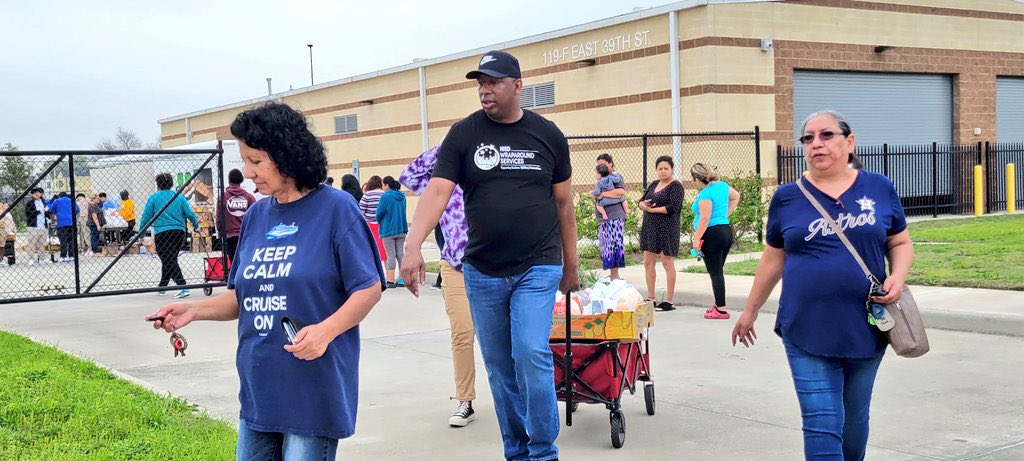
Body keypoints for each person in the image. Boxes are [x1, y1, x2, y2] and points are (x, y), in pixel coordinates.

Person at [145, 102, 384, 460]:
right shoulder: (257, 216)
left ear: (287, 156)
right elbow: (243, 296)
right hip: (260, 386)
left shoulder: (336, 209)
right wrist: (192, 309)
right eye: (245, 161)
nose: (249, 171)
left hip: (311, 388)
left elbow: (368, 287)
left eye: (256, 161)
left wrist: (325, 331)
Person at [401, 50, 578, 461]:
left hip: (538, 264)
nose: (485, 89)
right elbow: (437, 191)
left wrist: (571, 265)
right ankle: (516, 450)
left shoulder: (548, 135)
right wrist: (412, 247)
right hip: (482, 270)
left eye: (494, 81)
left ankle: (543, 450)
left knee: (531, 353)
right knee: (500, 367)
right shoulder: (464, 135)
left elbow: (565, 204)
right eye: (480, 82)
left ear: (518, 85)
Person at [732, 110, 913, 460]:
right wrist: (750, 311)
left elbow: (900, 243)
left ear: (849, 141)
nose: (817, 144)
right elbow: (773, 259)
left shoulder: (878, 187)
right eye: (808, 138)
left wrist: (898, 276)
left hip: (866, 325)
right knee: (821, 421)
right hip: (806, 325)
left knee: (854, 418)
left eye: (826, 135)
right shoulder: (787, 197)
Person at [400, 145, 478, 427]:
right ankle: (464, 400)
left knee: (504, 339)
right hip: (454, 267)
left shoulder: (483, 178)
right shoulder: (440, 185)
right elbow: (408, 175)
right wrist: (449, 147)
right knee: (462, 333)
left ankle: (517, 399)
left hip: (491, 268)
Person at [689, 163, 741, 319]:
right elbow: (736, 196)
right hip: (725, 231)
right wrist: (724, 214)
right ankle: (719, 304)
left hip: (712, 234)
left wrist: (697, 239)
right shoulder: (722, 186)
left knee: (716, 273)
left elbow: (705, 218)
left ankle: (721, 310)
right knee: (718, 270)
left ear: (697, 179)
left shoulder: (705, 194)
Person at [140, 173, 200, 298]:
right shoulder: (179, 197)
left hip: (162, 232)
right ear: (171, 184)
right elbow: (189, 213)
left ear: (158, 185)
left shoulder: (154, 198)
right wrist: (196, 225)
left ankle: (182, 286)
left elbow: (146, 216)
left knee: (167, 259)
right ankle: (163, 286)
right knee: (170, 258)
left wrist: (141, 232)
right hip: (179, 232)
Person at [638, 156, 685, 311]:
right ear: (656, 170)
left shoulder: (676, 186)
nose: (663, 171)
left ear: (672, 169)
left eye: (666, 168)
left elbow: (673, 207)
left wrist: (652, 209)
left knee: (667, 263)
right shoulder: (653, 184)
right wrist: (643, 205)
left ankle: (669, 300)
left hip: (667, 229)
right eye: (660, 168)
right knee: (648, 263)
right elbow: (641, 201)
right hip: (650, 228)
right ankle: (651, 298)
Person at [593, 154, 628, 280]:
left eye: (603, 164)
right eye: (598, 164)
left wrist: (603, 194)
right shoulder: (601, 178)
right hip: (604, 219)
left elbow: (620, 193)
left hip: (615, 216)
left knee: (615, 244)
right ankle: (612, 274)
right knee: (606, 245)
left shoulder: (615, 177)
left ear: (611, 164)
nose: (601, 166)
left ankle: (615, 275)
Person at [375, 176, 407, 288]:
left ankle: (390, 280)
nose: (383, 188)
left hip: (388, 229)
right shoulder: (402, 196)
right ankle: (402, 280)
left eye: (383, 185)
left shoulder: (385, 196)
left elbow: (379, 213)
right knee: (400, 254)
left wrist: (380, 221)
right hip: (402, 228)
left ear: (387, 185)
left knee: (390, 255)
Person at [222, 168, 256, 263]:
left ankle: (234, 277)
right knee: (246, 261)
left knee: (234, 262)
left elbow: (219, 216)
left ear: (229, 180)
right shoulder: (249, 197)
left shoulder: (223, 197)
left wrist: (221, 231)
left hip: (230, 235)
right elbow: (255, 217)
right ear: (242, 180)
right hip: (245, 235)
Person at [359, 175, 387, 264]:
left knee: (371, 249)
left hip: (370, 225)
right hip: (383, 225)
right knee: (384, 250)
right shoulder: (385, 194)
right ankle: (388, 273)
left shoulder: (367, 195)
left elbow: (361, 212)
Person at [24, 187, 50, 265]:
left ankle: (42, 258)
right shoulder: (30, 203)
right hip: (33, 226)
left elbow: (47, 214)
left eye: (40, 193)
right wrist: (39, 211)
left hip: (43, 226)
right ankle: (31, 258)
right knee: (32, 243)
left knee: (42, 244)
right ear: (33, 194)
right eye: (37, 193)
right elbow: (28, 213)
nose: (39, 195)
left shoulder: (44, 202)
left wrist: (48, 212)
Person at [50, 192, 78, 263]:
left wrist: (53, 221)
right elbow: (77, 210)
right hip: (71, 223)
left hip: (61, 223)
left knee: (63, 240)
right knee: (71, 240)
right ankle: (72, 256)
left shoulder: (57, 201)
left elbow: (52, 211)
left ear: (60, 196)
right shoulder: (72, 200)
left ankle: (63, 256)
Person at [0, 200, 16, 267]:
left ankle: (1, 260)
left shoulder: (1, 205)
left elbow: (7, 221)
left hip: (2, 228)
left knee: (2, 246)